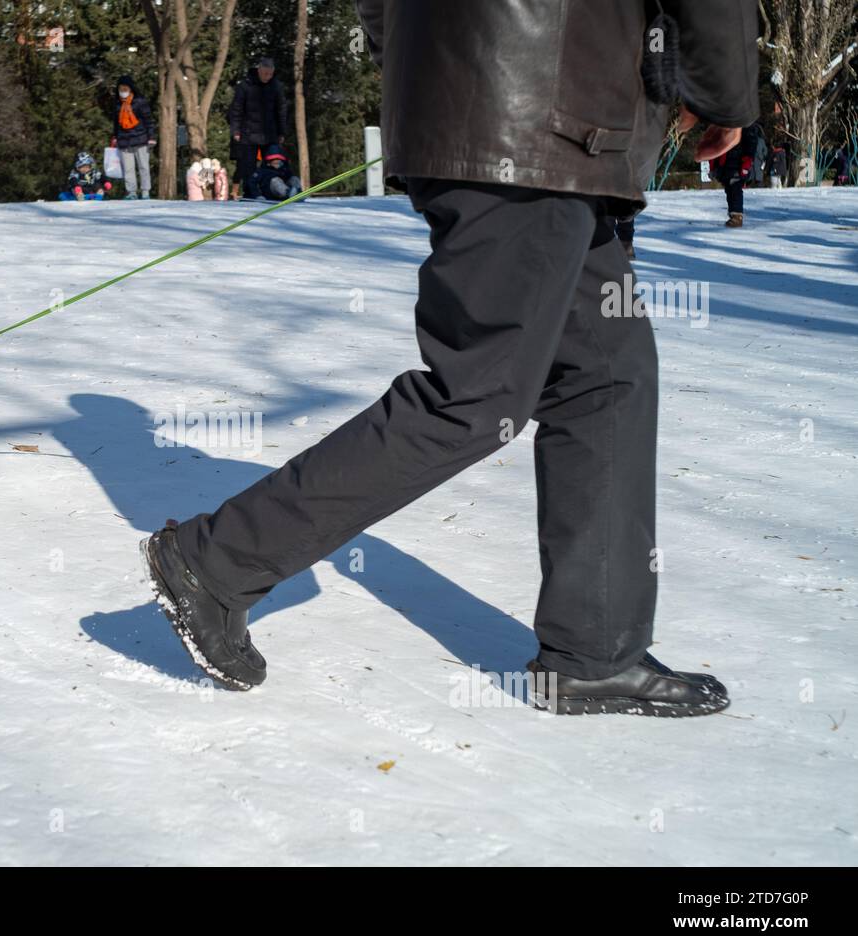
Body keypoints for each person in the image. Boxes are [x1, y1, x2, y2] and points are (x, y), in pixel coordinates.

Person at [142, 0, 758, 717]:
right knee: (477, 395)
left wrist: (436, 66)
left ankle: (596, 651)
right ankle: (215, 563)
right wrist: (726, 96)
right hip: (546, 126)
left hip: (514, 122)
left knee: (608, 375)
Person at [227, 56, 288, 200]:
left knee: (273, 164)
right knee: (248, 166)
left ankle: (271, 191)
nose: (268, 77)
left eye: (270, 74)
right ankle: (251, 193)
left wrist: (282, 131)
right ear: (259, 70)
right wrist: (235, 130)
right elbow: (236, 110)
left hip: (270, 133)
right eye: (265, 73)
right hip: (248, 133)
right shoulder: (245, 86)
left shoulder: (276, 86)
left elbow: (281, 110)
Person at [110, 75, 155, 200]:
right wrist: (115, 136)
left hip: (141, 139)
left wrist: (151, 136)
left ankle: (145, 191)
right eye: (121, 89)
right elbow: (116, 123)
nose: (123, 92)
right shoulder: (117, 104)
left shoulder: (140, 102)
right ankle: (131, 192)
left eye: (125, 89)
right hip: (124, 140)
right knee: (128, 169)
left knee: (143, 166)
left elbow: (148, 120)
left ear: (131, 89)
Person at [710, 121, 762, 227]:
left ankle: (737, 215)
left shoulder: (746, 126)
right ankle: (733, 214)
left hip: (738, 163)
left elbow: (750, 144)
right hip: (725, 162)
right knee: (729, 189)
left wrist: (746, 162)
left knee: (735, 188)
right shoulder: (722, 124)